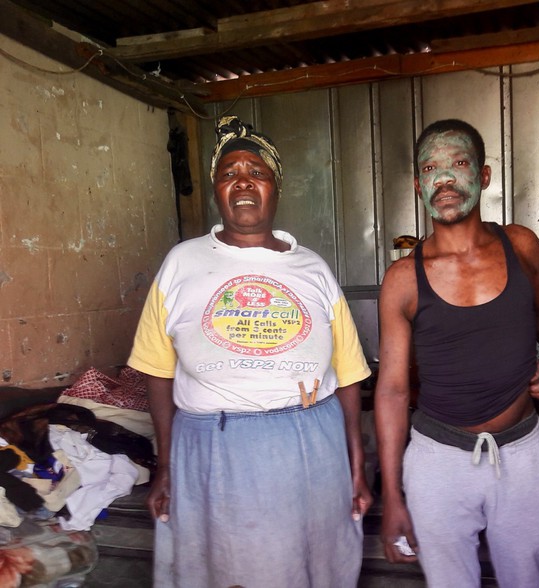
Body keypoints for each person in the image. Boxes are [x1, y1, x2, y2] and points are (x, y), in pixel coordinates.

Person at [128, 115, 373, 588]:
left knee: (314, 568)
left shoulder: (313, 269)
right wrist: (165, 466)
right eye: (229, 173)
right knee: (221, 573)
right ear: (218, 191)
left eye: (256, 172)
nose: (242, 182)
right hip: (213, 449)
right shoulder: (182, 263)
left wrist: (356, 469)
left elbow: (348, 376)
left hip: (310, 448)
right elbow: (158, 372)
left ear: (276, 188)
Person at [374, 118, 539, 587]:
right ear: (418, 183)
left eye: (458, 163)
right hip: (438, 461)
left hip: (521, 453)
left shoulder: (520, 246)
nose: (444, 179)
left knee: (526, 580)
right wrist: (393, 496)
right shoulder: (403, 278)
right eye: (430, 168)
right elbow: (393, 391)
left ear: (483, 175)